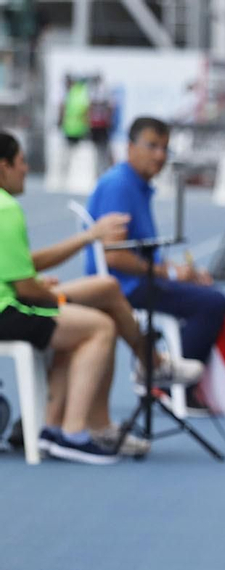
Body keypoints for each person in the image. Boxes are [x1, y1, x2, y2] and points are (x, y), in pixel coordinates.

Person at [0, 132, 125, 464]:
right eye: (22, 162)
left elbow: (19, 268)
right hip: (6, 310)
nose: (26, 169)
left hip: (10, 301)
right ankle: (72, 433)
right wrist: (46, 293)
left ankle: (52, 428)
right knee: (99, 326)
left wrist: (40, 286)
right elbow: (24, 289)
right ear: (3, 167)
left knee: (89, 307)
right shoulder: (6, 208)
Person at [86, 117, 225, 391]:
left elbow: (142, 252)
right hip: (124, 288)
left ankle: (165, 368)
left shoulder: (136, 185)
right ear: (130, 147)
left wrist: (180, 272)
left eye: (165, 148)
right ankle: (168, 385)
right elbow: (114, 256)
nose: (160, 155)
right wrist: (169, 272)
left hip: (136, 281)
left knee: (206, 292)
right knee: (213, 303)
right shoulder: (119, 186)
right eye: (152, 146)